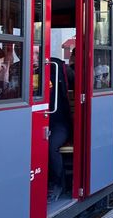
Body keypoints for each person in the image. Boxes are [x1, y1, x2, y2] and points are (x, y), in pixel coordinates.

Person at [48, 57, 72, 202]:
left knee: (51, 147)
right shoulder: (22, 69)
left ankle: (58, 183)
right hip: (40, 120)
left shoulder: (58, 67)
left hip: (59, 123)